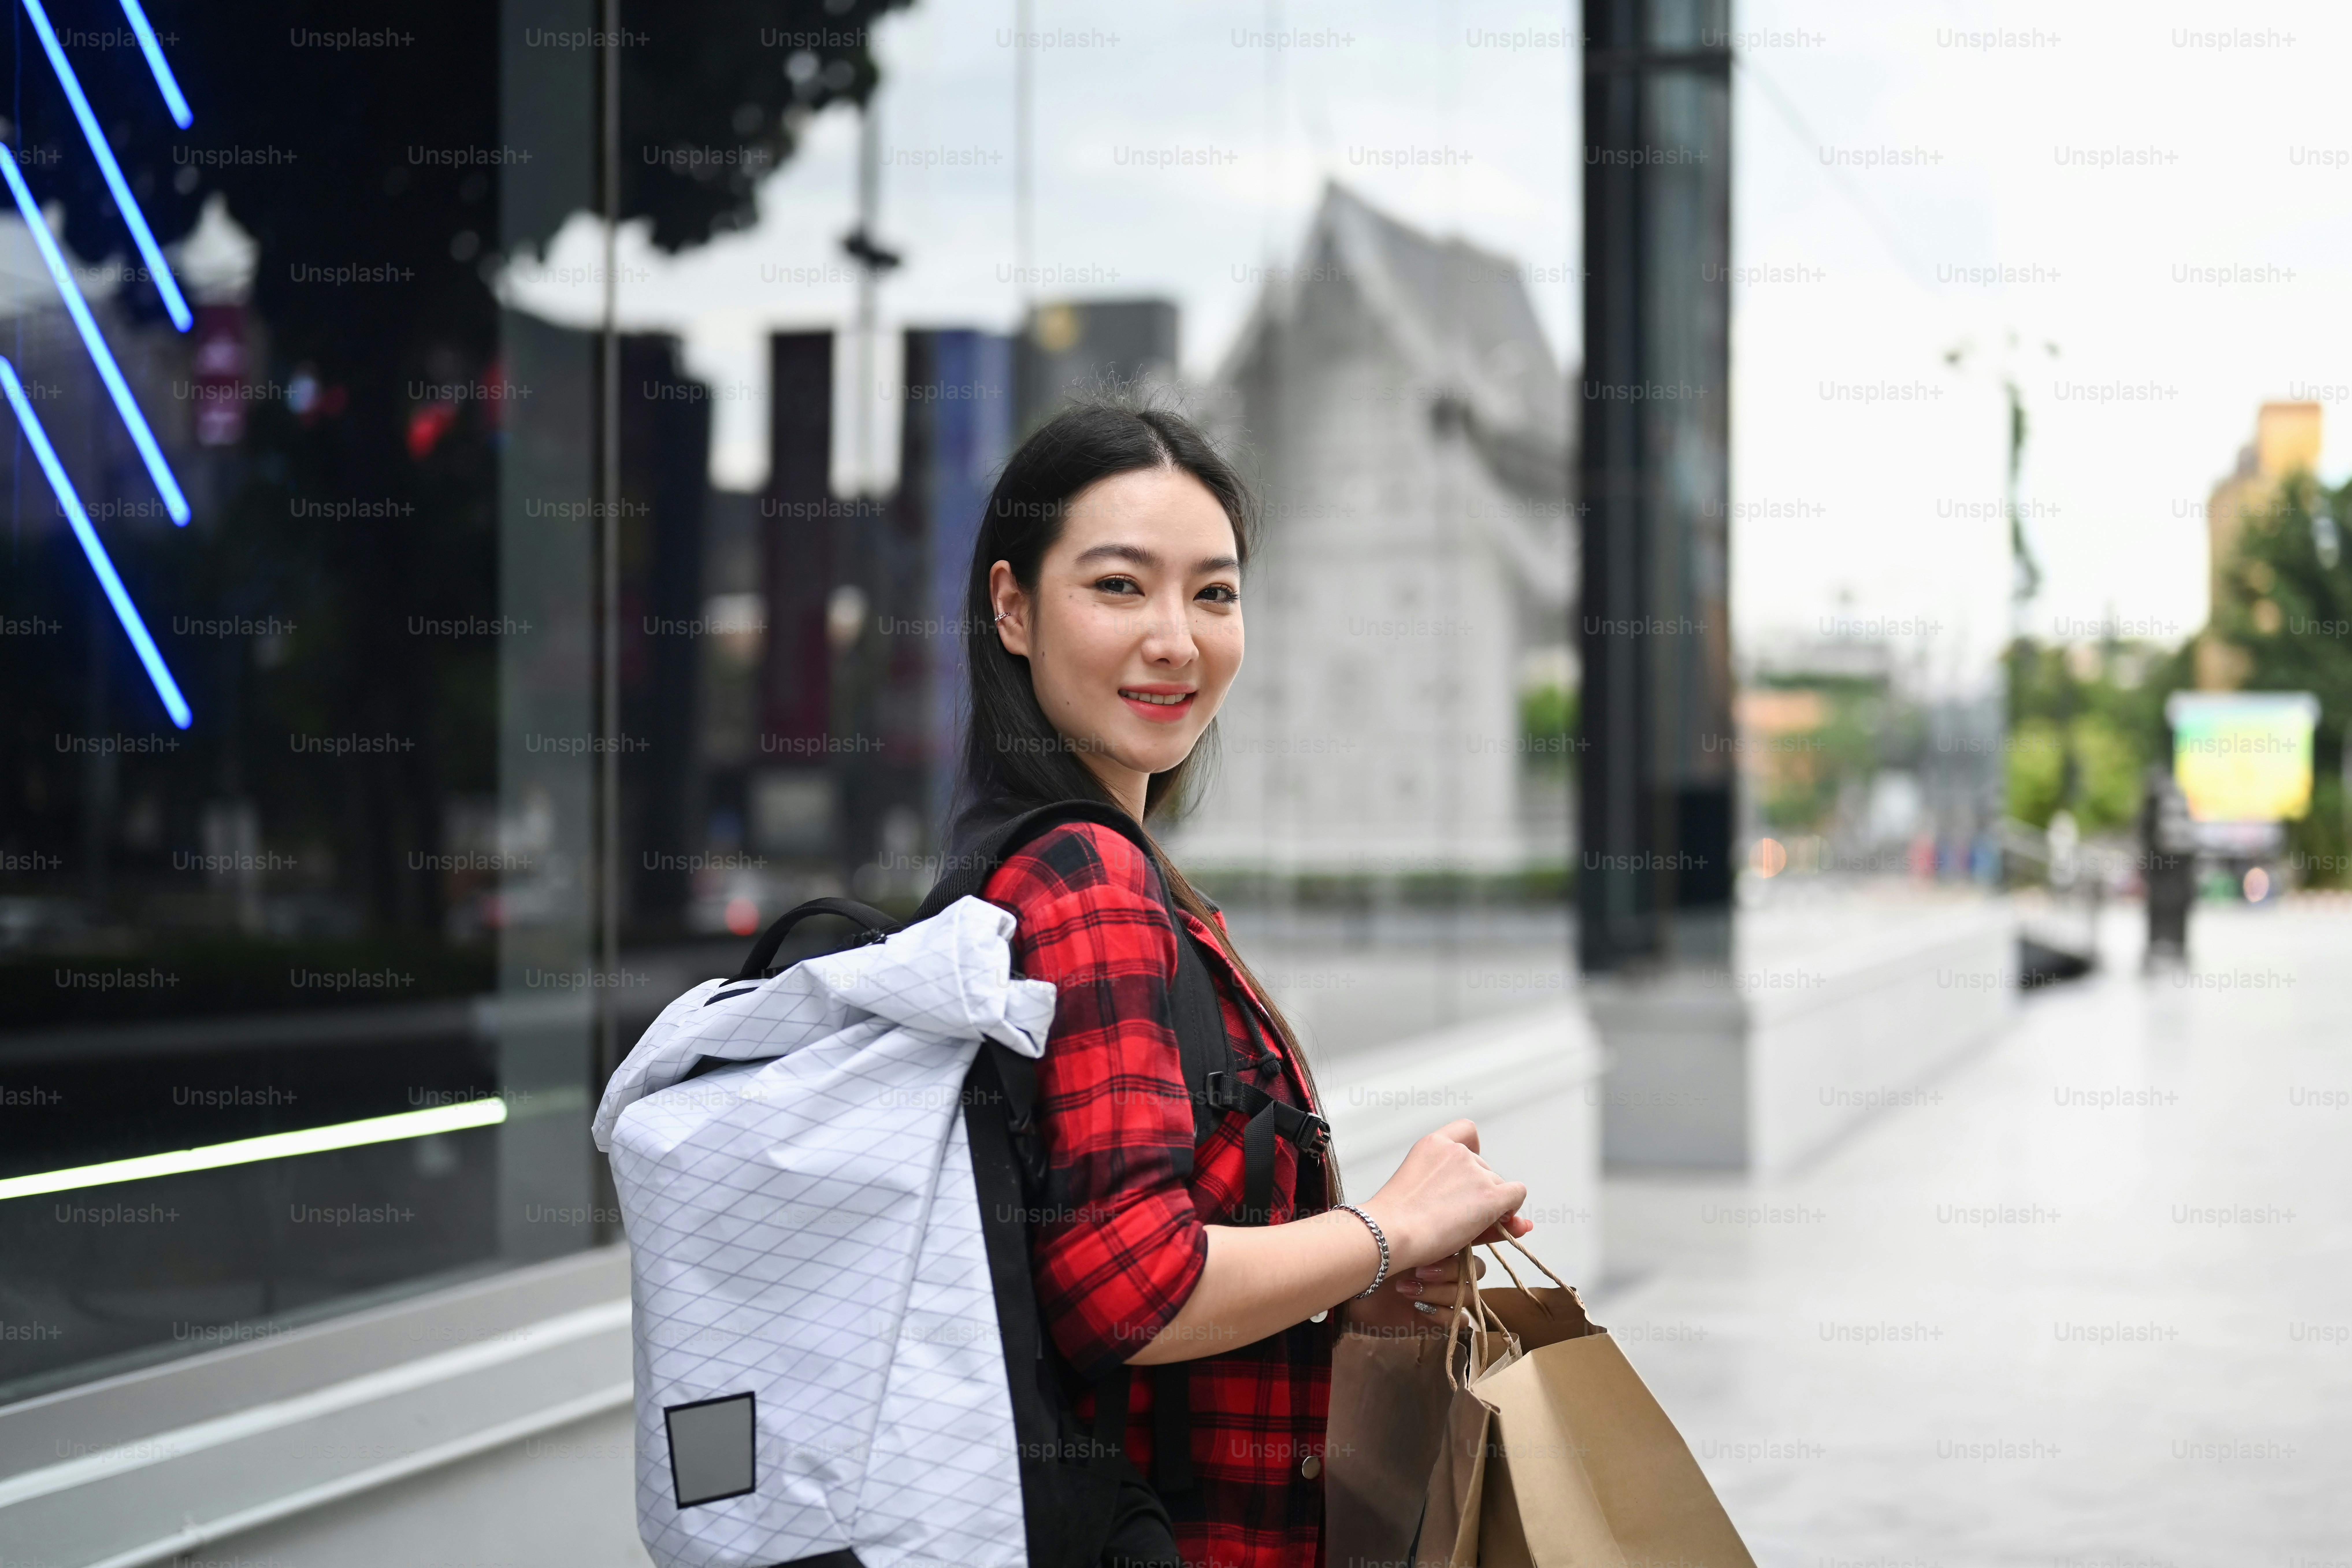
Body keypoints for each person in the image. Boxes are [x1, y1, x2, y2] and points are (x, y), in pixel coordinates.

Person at [953, 400, 1533, 1568]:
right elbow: (1128, 1287)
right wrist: (1387, 1224)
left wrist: (1357, 1281)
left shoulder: (1041, 863)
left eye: (1212, 594)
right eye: (1119, 586)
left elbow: (1102, 1273)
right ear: (1011, 608)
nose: (1176, 637)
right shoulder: (1084, 876)